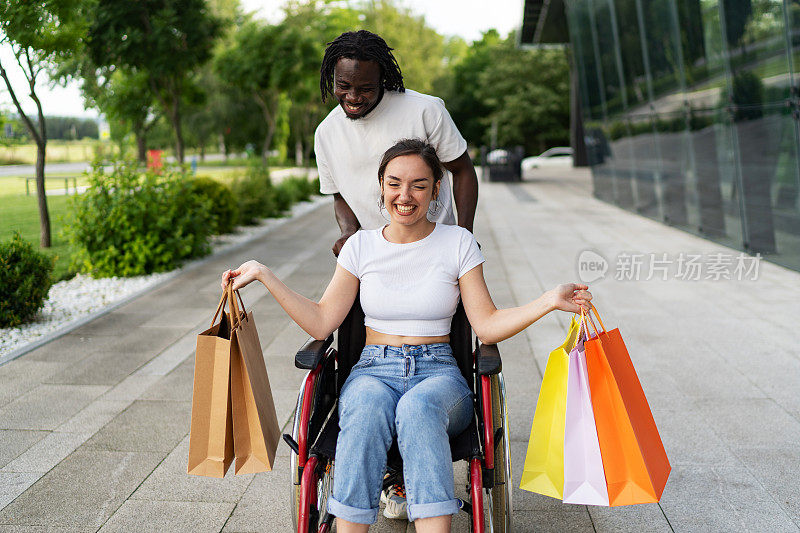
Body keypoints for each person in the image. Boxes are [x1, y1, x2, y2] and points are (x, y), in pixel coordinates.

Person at [222, 139, 592, 533]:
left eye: (419, 184)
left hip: (438, 374)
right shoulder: (360, 247)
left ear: (436, 189)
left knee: (417, 409)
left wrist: (549, 300)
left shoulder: (458, 244)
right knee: (363, 410)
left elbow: (486, 324)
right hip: (372, 370)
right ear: (381, 186)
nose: (405, 195)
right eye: (394, 183)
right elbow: (320, 321)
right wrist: (264, 274)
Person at [314, 30, 479, 257]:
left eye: (365, 89)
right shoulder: (326, 132)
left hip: (438, 251)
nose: (352, 97)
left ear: (381, 80)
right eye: (343, 85)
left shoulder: (425, 110)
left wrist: (465, 236)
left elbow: (463, 170)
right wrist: (348, 232)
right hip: (374, 257)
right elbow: (340, 195)